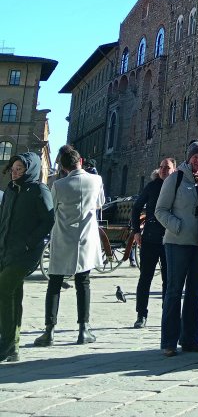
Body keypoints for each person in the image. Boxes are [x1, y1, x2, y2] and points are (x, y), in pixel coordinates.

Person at [35, 145, 105, 347]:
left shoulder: (59, 185)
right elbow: (99, 203)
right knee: (83, 282)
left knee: (54, 283)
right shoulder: (96, 180)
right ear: (80, 161)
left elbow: (53, 207)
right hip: (85, 238)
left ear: (64, 168)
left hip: (63, 235)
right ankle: (84, 329)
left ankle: (49, 331)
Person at [155, 141, 198, 356]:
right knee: (173, 291)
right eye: (196, 156)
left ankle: (190, 339)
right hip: (177, 243)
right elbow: (160, 210)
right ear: (189, 158)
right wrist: (177, 226)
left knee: (194, 294)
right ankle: (169, 341)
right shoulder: (176, 178)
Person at [0, 153, 54, 363]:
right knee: (13, 295)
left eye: (19, 169)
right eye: (13, 169)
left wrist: (29, 242)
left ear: (29, 169)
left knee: (3, 290)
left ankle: (6, 345)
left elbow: (48, 220)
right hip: (6, 250)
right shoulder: (11, 191)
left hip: (26, 253)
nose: (15, 173)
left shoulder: (39, 190)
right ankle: (12, 346)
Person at [130, 157, 176, 328]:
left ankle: (167, 313)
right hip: (150, 238)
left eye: (168, 167)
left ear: (174, 169)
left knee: (168, 279)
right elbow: (136, 207)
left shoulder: (176, 186)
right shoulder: (152, 186)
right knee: (145, 278)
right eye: (162, 167)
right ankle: (141, 314)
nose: (164, 170)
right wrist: (136, 231)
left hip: (169, 239)